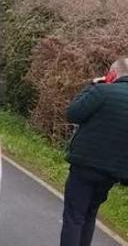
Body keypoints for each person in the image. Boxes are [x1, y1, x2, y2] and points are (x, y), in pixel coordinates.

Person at [60, 58, 128, 246]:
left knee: (74, 216)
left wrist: (92, 85)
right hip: (113, 172)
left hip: (85, 165)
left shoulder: (102, 91)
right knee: (89, 214)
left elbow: (73, 113)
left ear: (113, 73)